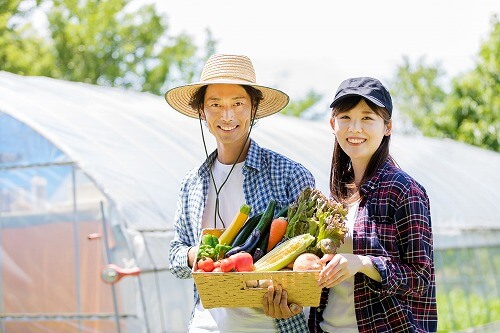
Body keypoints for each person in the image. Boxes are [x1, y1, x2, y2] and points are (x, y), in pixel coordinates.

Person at [166, 54, 315, 333]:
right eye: (215, 104)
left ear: (254, 108)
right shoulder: (192, 184)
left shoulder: (290, 175)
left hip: (272, 325)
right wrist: (195, 254)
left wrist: (293, 300)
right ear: (201, 110)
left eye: (238, 103)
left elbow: (310, 262)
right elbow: (175, 257)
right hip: (205, 325)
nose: (227, 115)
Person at [307, 77, 438, 332]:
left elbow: (420, 279)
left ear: (387, 127)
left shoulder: (404, 190)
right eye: (345, 117)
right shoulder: (335, 197)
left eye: (367, 118)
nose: (355, 128)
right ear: (333, 124)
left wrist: (364, 263)